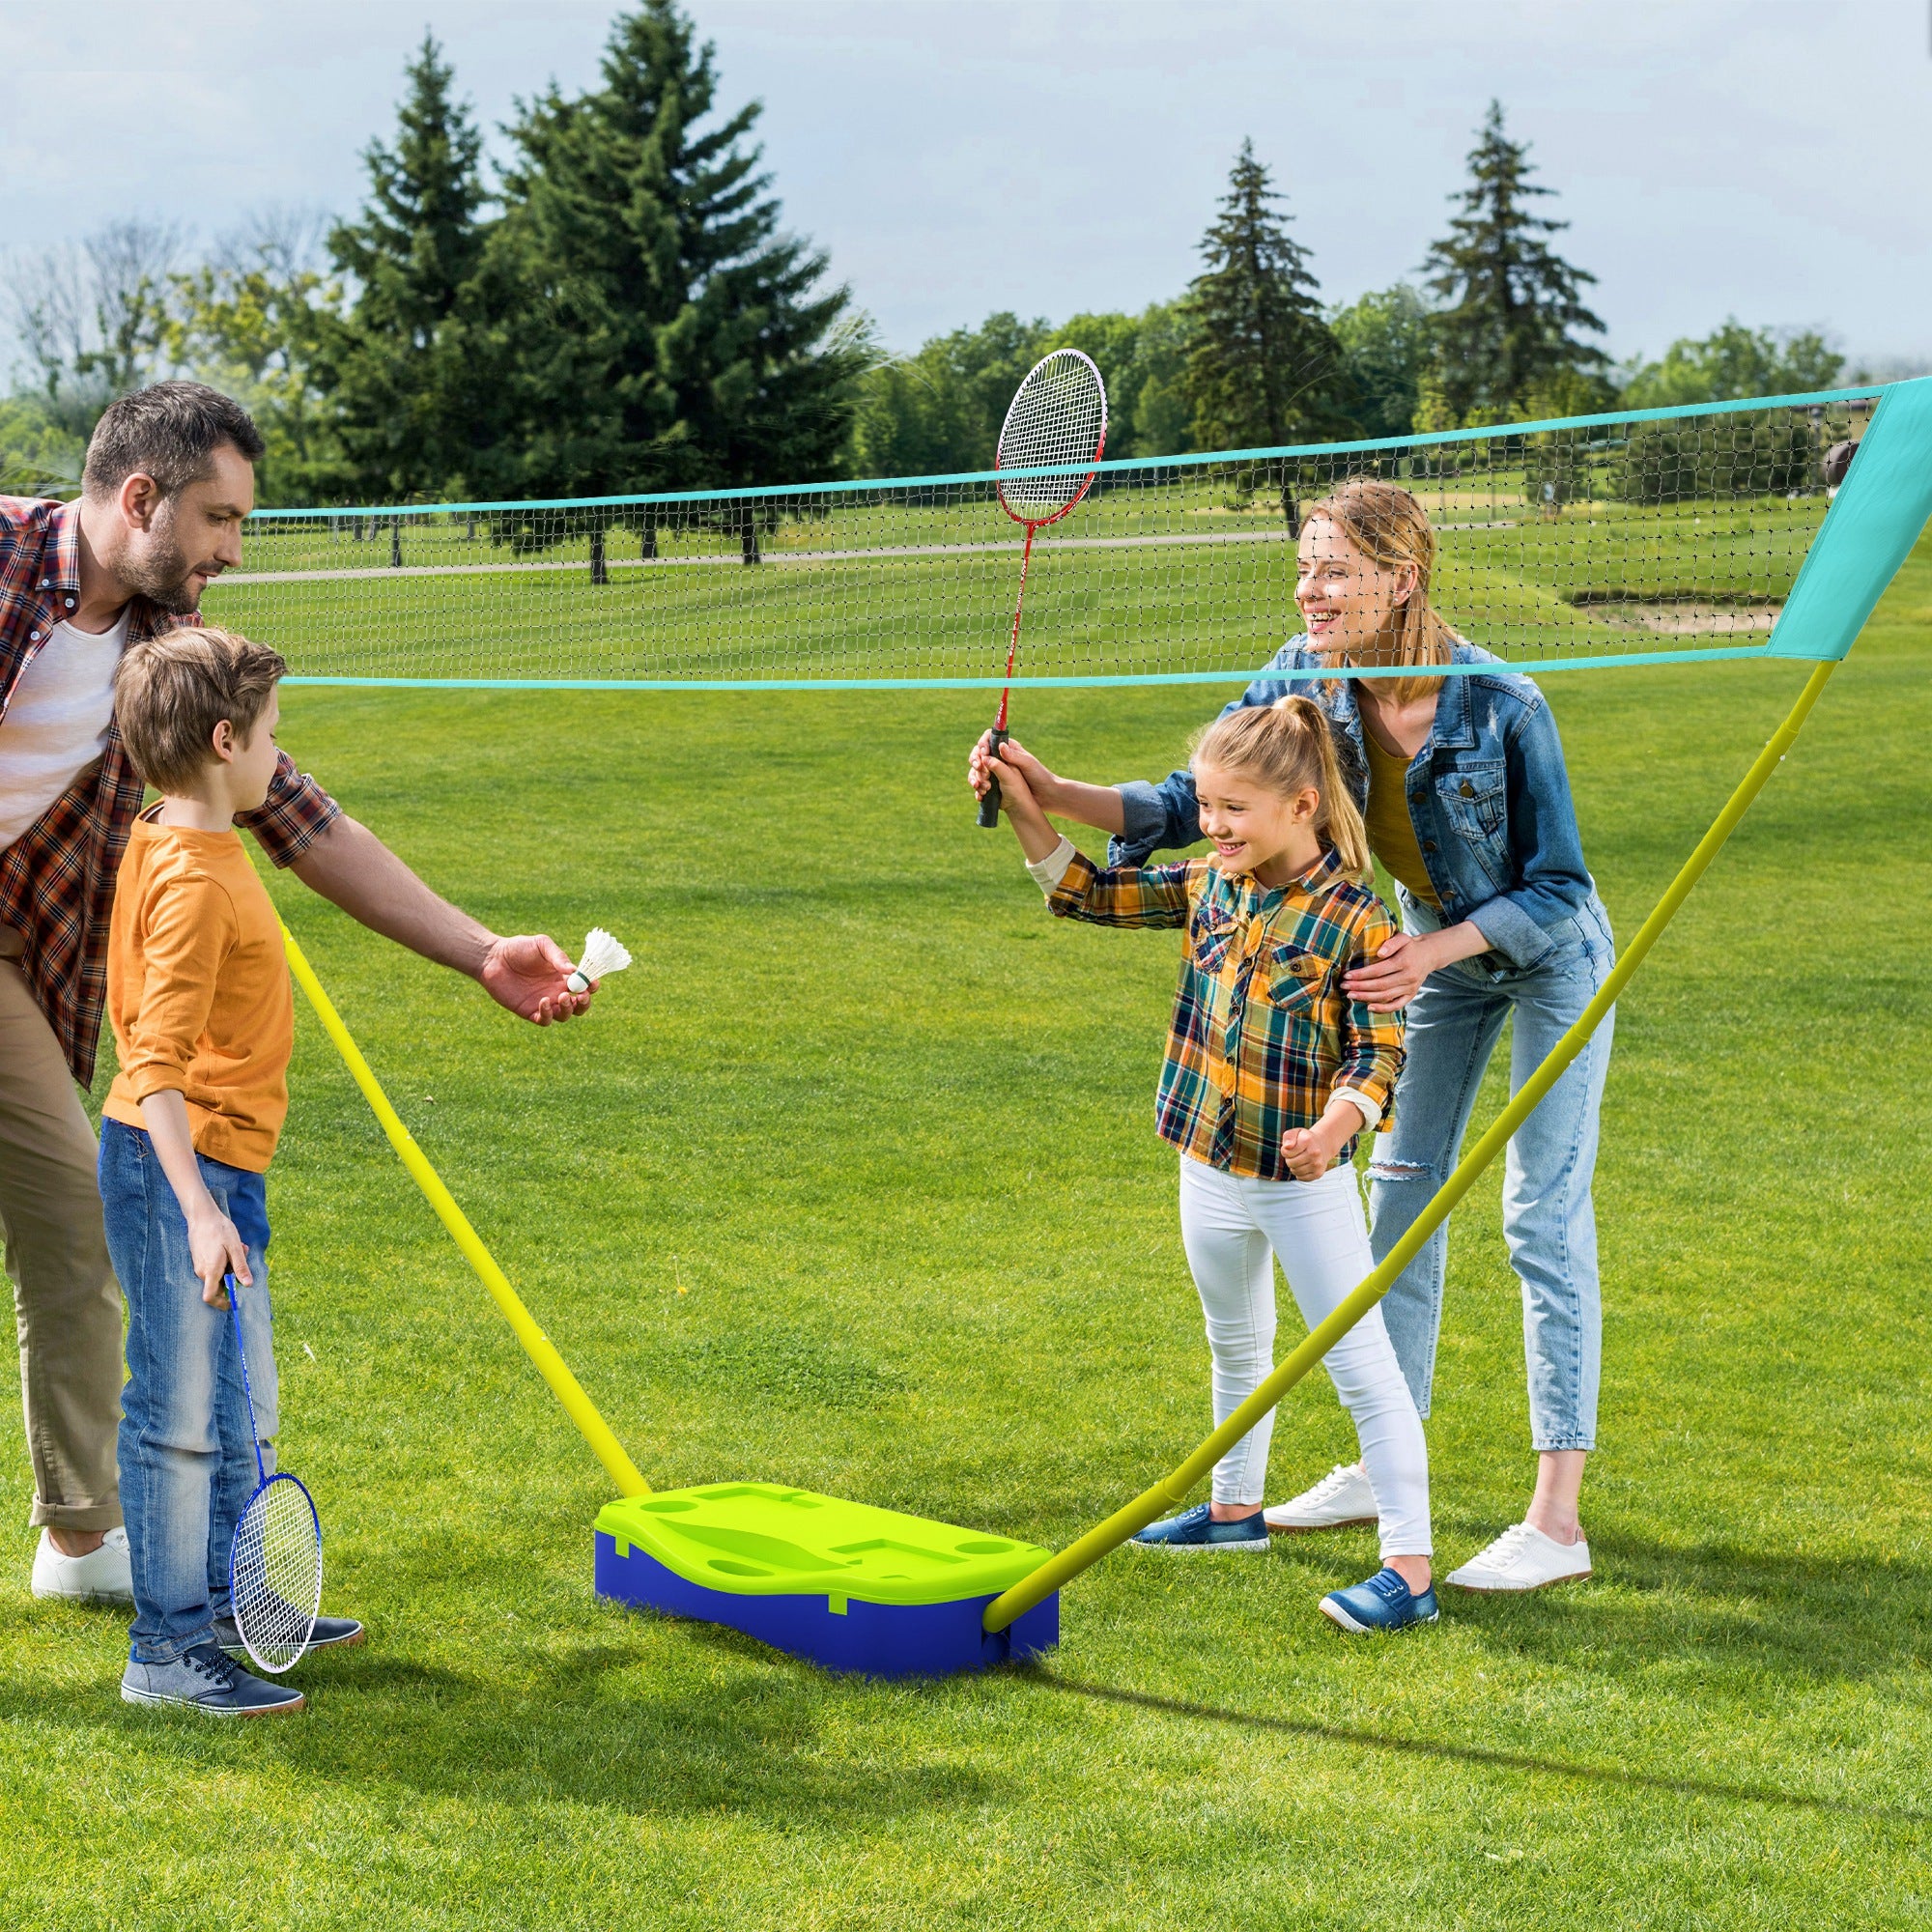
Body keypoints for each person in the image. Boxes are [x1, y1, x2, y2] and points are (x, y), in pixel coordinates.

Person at [1, 383, 596, 1607]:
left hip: (16, 959)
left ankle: (78, 1538)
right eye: (218, 519)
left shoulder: (169, 651)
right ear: (137, 496)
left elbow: (298, 814)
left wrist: (480, 948)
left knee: (68, 1219)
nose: (230, 550)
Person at [972, 477, 1612, 1593]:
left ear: (1399, 578)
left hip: (1542, 958)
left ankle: (1554, 1518)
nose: (1309, 591)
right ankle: (1382, 1460)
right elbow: (1201, 798)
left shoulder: (1503, 702)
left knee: (1536, 1216)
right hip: (1416, 948)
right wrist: (1050, 788)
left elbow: (1558, 884)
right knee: (1398, 1196)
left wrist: (1433, 951)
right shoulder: (1302, 673)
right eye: (1303, 569)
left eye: (1332, 571)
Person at [991, 693, 1436, 1634]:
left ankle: (1408, 1565)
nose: (1212, 824)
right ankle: (1235, 1510)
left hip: (1301, 1185)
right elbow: (1083, 891)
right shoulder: (1209, 887)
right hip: (1205, 1161)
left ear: (1301, 805)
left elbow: (1380, 1053)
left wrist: (1335, 1131)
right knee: (1234, 1343)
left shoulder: (1353, 921)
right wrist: (1019, 796)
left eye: (1232, 807)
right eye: (1205, 804)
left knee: (1360, 1365)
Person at [99, 627, 352, 1713]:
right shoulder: (194, 876)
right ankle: (165, 1650)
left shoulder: (166, 828)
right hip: (180, 1166)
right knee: (179, 1407)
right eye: (271, 740)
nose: (278, 762)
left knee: (233, 1393)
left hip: (211, 1162)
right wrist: (199, 1208)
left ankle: (228, 1595)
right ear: (220, 740)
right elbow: (151, 1059)